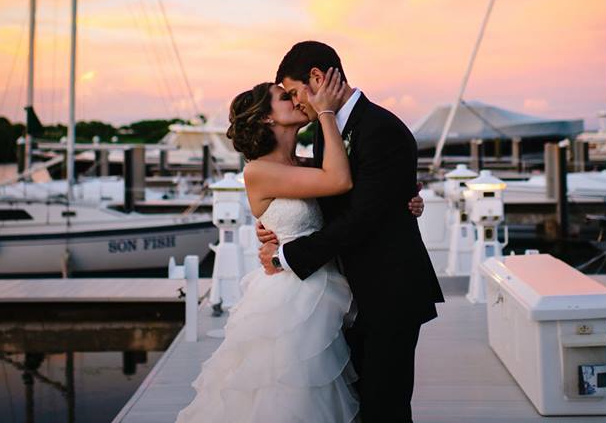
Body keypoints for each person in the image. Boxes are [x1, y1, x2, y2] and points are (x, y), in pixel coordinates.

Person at [176, 67, 426, 422]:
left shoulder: (307, 161)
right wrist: (325, 111)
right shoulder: (257, 170)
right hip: (289, 299)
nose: (297, 100)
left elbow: (359, 190)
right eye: (285, 97)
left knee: (341, 393)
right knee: (290, 395)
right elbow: (339, 180)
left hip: (331, 289)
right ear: (266, 117)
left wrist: (406, 198)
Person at [258, 41, 444, 422]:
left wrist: (289, 254)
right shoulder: (326, 130)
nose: (296, 104)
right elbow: (326, 195)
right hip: (349, 294)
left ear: (316, 78)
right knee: (359, 405)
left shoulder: (381, 128)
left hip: (389, 291)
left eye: (295, 93)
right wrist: (275, 223)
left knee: (385, 406)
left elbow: (362, 218)